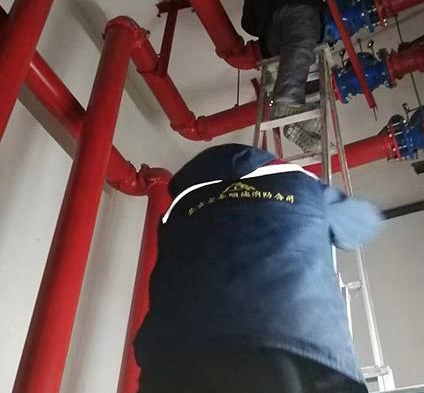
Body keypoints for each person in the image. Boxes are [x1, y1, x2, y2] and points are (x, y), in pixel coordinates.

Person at [135, 144, 382, 392]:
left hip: (174, 352)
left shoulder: (179, 206)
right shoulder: (302, 184)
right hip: (292, 344)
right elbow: (363, 221)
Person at [242, 0, 345, 152]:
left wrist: (268, 14)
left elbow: (247, 24)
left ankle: (306, 131)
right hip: (298, 10)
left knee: (305, 70)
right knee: (302, 45)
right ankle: (285, 103)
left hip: (271, 40)